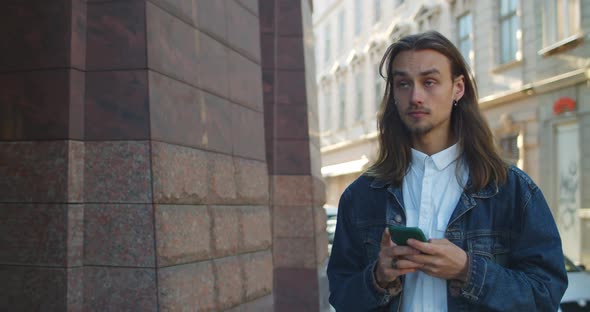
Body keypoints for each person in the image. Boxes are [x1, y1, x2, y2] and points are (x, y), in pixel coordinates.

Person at [327, 31, 567, 311]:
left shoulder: (511, 189)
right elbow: (341, 297)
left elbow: (546, 294)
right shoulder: (362, 196)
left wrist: (468, 270)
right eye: (403, 83)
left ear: (458, 88)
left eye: (429, 82)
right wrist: (379, 277)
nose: (415, 96)